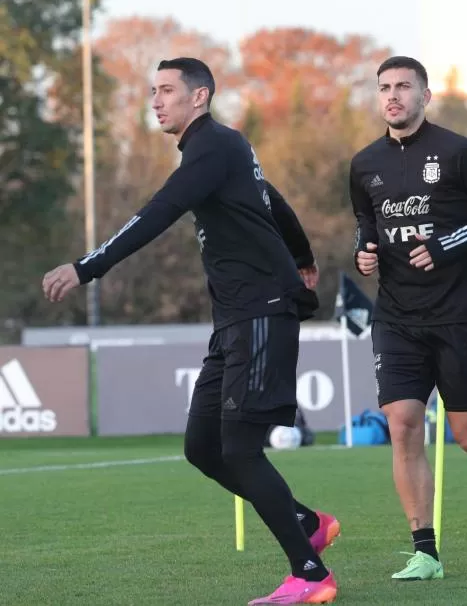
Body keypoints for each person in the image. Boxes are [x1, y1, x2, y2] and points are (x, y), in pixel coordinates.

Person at [41, 58, 338, 605]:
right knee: (203, 447)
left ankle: (311, 574)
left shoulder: (213, 146)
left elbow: (161, 210)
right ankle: (306, 521)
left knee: (242, 450)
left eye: (167, 91)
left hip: (262, 311)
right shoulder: (225, 150)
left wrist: (86, 267)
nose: (156, 100)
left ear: (199, 97)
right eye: (152, 91)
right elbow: (269, 197)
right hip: (232, 320)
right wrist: (301, 253)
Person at [349, 56, 467, 580]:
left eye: (404, 86)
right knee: (402, 425)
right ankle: (425, 550)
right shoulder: (364, 163)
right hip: (397, 316)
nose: (394, 96)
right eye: (385, 88)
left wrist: (445, 245)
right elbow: (366, 220)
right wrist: (365, 250)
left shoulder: (459, 153)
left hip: (458, 312)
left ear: (426, 95)